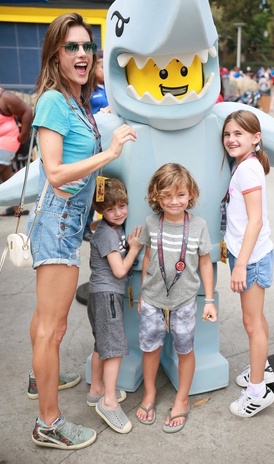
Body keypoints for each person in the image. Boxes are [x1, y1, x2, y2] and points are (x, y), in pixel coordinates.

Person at [26, 12, 137, 450]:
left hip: (68, 222)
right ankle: (48, 424)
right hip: (57, 222)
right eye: (71, 47)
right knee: (52, 330)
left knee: (44, 322)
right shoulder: (54, 100)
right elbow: (54, 172)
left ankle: (40, 380)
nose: (81, 54)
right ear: (55, 54)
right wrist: (109, 152)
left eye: (86, 46)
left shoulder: (77, 101)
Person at [135, 163, 217, 433]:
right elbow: (148, 257)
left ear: (190, 194)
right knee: (150, 348)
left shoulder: (199, 226)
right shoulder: (150, 223)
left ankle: (182, 399)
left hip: (185, 300)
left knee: (185, 349)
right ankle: (149, 394)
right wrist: (142, 294)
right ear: (156, 196)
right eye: (167, 195)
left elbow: (205, 263)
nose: (174, 201)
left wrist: (209, 300)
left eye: (180, 195)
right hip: (152, 299)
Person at [221, 109, 274, 418]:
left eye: (238, 134)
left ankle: (257, 391)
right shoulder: (245, 164)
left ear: (256, 138)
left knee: (251, 323)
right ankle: (263, 367)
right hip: (252, 252)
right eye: (228, 134)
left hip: (251, 257)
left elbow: (254, 220)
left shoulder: (247, 169)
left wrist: (240, 264)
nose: (231, 139)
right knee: (256, 319)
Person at [87, 178, 142, 433]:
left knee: (102, 344)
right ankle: (108, 402)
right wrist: (134, 248)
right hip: (107, 295)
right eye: (111, 209)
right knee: (115, 348)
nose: (118, 213)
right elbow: (119, 270)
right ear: (102, 210)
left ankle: (96, 389)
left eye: (122, 206)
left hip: (99, 295)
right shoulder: (108, 233)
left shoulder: (107, 227)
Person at [83, 49, 109, 241]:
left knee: (105, 185)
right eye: (101, 65)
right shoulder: (89, 91)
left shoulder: (112, 89)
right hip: (95, 146)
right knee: (92, 184)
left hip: (111, 145)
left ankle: (106, 221)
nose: (104, 69)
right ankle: (85, 225)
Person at [0, 87, 32, 216]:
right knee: (7, 177)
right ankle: (17, 208)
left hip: (8, 142)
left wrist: (23, 135)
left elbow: (27, 111)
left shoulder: (5, 97)